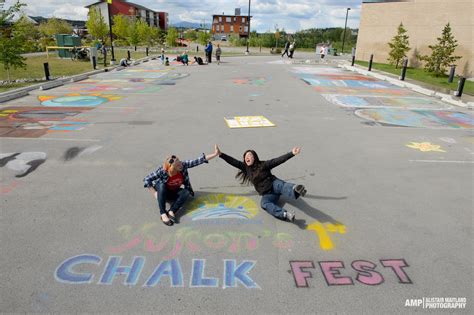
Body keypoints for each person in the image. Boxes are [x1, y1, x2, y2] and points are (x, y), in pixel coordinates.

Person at [216, 145, 307, 222]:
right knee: (264, 204)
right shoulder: (246, 169)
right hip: (268, 194)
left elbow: (278, 160)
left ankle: (296, 189)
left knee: (281, 185)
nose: (247, 157)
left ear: (254, 157)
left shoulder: (263, 164)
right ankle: (285, 214)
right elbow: (233, 161)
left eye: (249, 155)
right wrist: (221, 154)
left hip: (273, 184)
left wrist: (291, 153)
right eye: (245, 156)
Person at [143, 146, 220, 226]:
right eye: (177, 165)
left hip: (173, 192)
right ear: (172, 168)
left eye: (179, 161)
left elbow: (198, 160)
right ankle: (163, 213)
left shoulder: (183, 165)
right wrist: (154, 193)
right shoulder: (163, 171)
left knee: (186, 192)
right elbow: (146, 179)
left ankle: (171, 211)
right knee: (161, 185)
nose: (180, 165)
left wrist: (215, 154)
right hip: (163, 192)